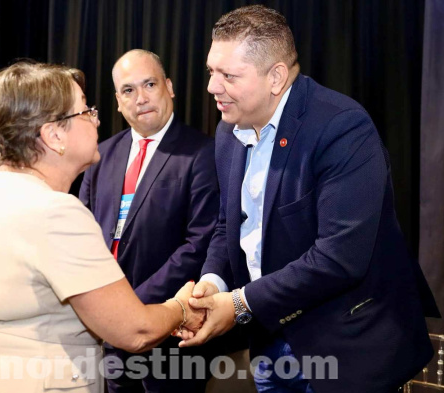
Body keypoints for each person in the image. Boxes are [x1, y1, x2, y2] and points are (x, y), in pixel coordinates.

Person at [176, 5, 440, 393]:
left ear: (276, 77)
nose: (213, 87)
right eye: (211, 72)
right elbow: (228, 225)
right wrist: (211, 286)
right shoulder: (227, 133)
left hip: (349, 346)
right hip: (270, 341)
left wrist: (237, 305)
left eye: (229, 75)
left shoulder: (341, 127)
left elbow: (339, 258)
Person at [0, 61, 203, 393]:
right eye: (86, 112)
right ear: (54, 135)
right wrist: (180, 307)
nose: (97, 120)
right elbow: (136, 332)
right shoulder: (53, 212)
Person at [79, 49, 218, 392]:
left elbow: (198, 244)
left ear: (169, 87)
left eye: (150, 84)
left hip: (168, 334)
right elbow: (80, 235)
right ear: (117, 101)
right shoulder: (99, 157)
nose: (140, 98)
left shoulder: (202, 153)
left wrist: (132, 304)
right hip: (105, 332)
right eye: (128, 90)